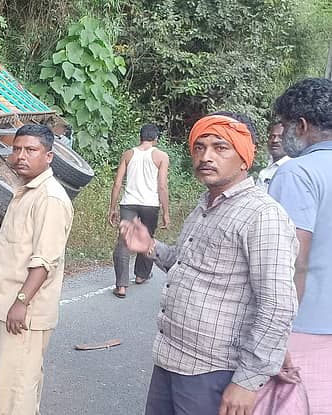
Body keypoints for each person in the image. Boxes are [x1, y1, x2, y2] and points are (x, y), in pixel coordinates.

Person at [120, 113, 299, 415]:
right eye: (199, 147)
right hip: (170, 359)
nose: (206, 156)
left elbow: (277, 305)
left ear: (245, 158)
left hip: (213, 371)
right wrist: (150, 246)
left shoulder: (262, 215)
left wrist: (247, 381)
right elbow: (186, 263)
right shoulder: (205, 205)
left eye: (220, 148)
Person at [0, 124, 73, 415]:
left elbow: (45, 260)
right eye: (17, 149)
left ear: (49, 156)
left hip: (27, 311)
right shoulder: (27, 191)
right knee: (22, 382)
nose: (21, 156)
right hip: (18, 302)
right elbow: (17, 248)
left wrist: (21, 302)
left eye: (31, 150)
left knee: (16, 389)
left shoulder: (50, 198)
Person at [269, 77, 332, 414]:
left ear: (302, 125)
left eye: (285, 125)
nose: (281, 134)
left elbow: (293, 261)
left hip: (304, 331)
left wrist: (277, 337)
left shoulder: (297, 174)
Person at [108, 123, 170, 298]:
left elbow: (118, 182)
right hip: (151, 204)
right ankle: (141, 275)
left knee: (123, 241)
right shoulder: (161, 156)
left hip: (129, 203)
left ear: (140, 137)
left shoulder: (128, 154)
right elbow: (162, 185)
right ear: (156, 139)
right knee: (147, 238)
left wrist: (112, 207)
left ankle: (121, 286)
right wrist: (166, 212)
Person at [257, 122, 289, 190]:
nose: (275, 140)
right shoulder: (266, 169)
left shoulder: (291, 170)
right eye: (272, 136)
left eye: (281, 137)